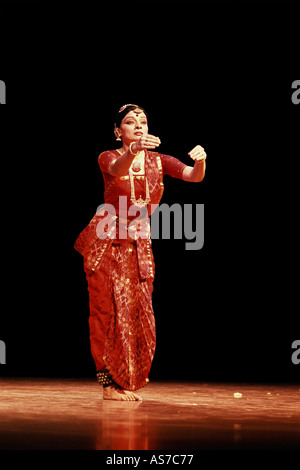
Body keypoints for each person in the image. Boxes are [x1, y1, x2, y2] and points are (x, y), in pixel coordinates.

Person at [74, 104, 206, 401]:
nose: (138, 125)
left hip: (138, 246)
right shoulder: (109, 157)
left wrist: (201, 161)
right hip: (106, 243)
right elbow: (116, 170)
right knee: (106, 312)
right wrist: (133, 150)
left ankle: (128, 378)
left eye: (143, 122)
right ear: (117, 131)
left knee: (137, 312)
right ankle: (108, 384)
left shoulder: (159, 161)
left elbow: (193, 176)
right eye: (131, 122)